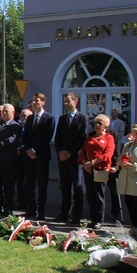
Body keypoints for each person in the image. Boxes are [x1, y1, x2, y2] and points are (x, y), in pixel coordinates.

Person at [54, 93, 88, 224]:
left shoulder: (82, 118)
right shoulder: (62, 118)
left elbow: (82, 137)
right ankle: (64, 213)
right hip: (63, 158)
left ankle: (76, 216)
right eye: (64, 101)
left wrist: (70, 152)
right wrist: (60, 152)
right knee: (65, 187)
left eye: (68, 101)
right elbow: (57, 137)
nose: (66, 104)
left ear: (75, 101)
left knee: (77, 187)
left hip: (75, 158)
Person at [78, 113, 115, 230]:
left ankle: (99, 220)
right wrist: (85, 163)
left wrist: (93, 162)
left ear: (106, 126)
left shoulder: (109, 138)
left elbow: (108, 154)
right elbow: (83, 151)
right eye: (95, 123)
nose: (97, 125)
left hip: (100, 170)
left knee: (99, 195)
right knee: (90, 195)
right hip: (88, 170)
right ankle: (93, 219)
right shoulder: (90, 138)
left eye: (100, 123)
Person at [21, 94, 55, 220]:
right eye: (33, 100)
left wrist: (35, 150)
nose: (34, 103)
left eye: (37, 101)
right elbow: (26, 136)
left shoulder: (49, 118)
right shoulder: (30, 118)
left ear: (43, 102)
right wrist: (29, 150)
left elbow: (47, 137)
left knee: (42, 184)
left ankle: (41, 211)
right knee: (30, 184)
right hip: (30, 156)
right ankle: (31, 209)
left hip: (42, 156)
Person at [0, 104, 22, 217]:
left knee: (8, 186)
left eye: (7, 111)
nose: (4, 113)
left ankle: (8, 209)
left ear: (13, 112)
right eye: (3, 111)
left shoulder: (15, 126)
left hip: (7, 160)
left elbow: (10, 141)